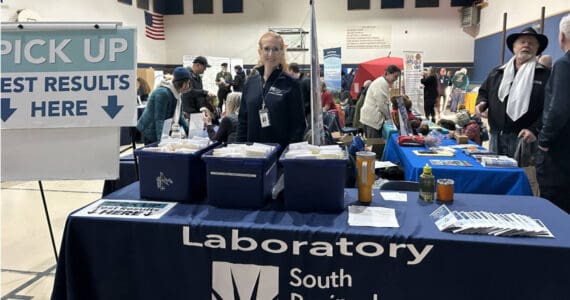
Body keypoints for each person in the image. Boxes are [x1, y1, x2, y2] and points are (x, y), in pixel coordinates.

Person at [475, 27, 550, 158]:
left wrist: (535, 130)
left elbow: (550, 107)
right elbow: (484, 92)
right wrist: (481, 102)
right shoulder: (498, 72)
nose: (526, 45)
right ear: (514, 47)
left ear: (537, 49)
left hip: (525, 137)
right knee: (497, 175)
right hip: (497, 135)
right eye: (522, 42)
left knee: (523, 176)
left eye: (531, 43)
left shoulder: (545, 75)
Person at [236, 31, 306, 149]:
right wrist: (240, 150)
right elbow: (243, 121)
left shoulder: (292, 84)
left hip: (278, 155)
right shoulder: (250, 83)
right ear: (260, 51)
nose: (270, 54)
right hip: (252, 154)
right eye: (266, 48)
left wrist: (287, 157)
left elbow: (298, 126)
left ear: (281, 53)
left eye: (275, 49)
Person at [536, 14, 570, 213]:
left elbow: (559, 108)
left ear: (562, 37)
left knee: (555, 210)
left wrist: (544, 141)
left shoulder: (564, 65)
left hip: (560, 155)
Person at [136, 67, 190, 144]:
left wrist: (189, 131)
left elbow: (179, 115)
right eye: (187, 83)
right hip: (150, 129)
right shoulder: (163, 93)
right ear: (182, 83)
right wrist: (161, 142)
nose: (188, 86)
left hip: (163, 128)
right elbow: (159, 119)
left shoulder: (178, 94)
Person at [359, 65, 401, 140]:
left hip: (370, 117)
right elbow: (382, 104)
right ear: (388, 73)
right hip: (372, 119)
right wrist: (389, 118)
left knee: (372, 143)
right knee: (374, 144)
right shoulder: (382, 83)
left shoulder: (382, 82)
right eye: (395, 76)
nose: (396, 79)